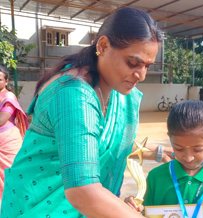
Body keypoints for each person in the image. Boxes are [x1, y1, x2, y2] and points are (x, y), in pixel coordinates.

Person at [1, 7, 173, 218]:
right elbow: (84, 191)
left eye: (147, 65)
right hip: (40, 207)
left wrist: (156, 151)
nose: (141, 75)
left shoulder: (116, 92)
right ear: (102, 45)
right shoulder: (74, 94)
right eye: (133, 63)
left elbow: (100, 142)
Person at [125, 100, 203, 218]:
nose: (188, 157)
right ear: (170, 139)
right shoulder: (156, 178)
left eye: (198, 149)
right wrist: (132, 209)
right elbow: (143, 213)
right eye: (179, 148)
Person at [0, 65, 28, 204]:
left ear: (6, 81)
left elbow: (1, 120)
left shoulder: (9, 97)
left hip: (8, 143)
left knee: (9, 175)